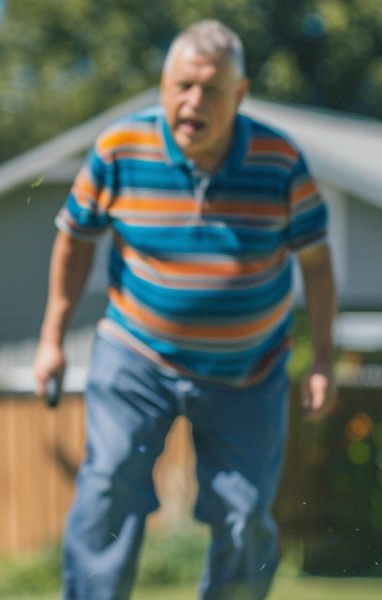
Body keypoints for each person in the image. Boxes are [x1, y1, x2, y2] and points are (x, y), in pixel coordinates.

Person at [33, 19, 336, 600]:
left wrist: (322, 357)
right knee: (109, 487)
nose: (192, 101)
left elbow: (318, 266)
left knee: (245, 516)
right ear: (164, 85)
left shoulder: (280, 161)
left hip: (249, 371)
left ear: (240, 95)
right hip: (136, 354)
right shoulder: (120, 149)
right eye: (181, 85)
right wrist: (51, 338)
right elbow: (74, 239)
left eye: (212, 89)